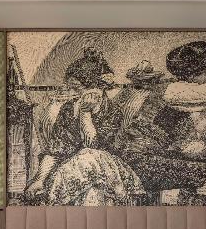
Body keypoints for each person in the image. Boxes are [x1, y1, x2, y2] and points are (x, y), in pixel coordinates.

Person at [112, 41, 206, 205]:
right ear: (191, 77)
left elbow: (183, 146)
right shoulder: (169, 91)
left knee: (204, 165)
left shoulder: (181, 112)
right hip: (137, 160)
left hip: (150, 158)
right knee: (205, 173)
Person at [25, 48, 143, 205]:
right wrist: (39, 179)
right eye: (70, 87)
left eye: (76, 88)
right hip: (71, 173)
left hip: (107, 173)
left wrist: (85, 112)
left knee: (89, 160)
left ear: (95, 88)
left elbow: (93, 147)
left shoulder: (112, 112)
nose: (71, 92)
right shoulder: (68, 109)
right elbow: (55, 150)